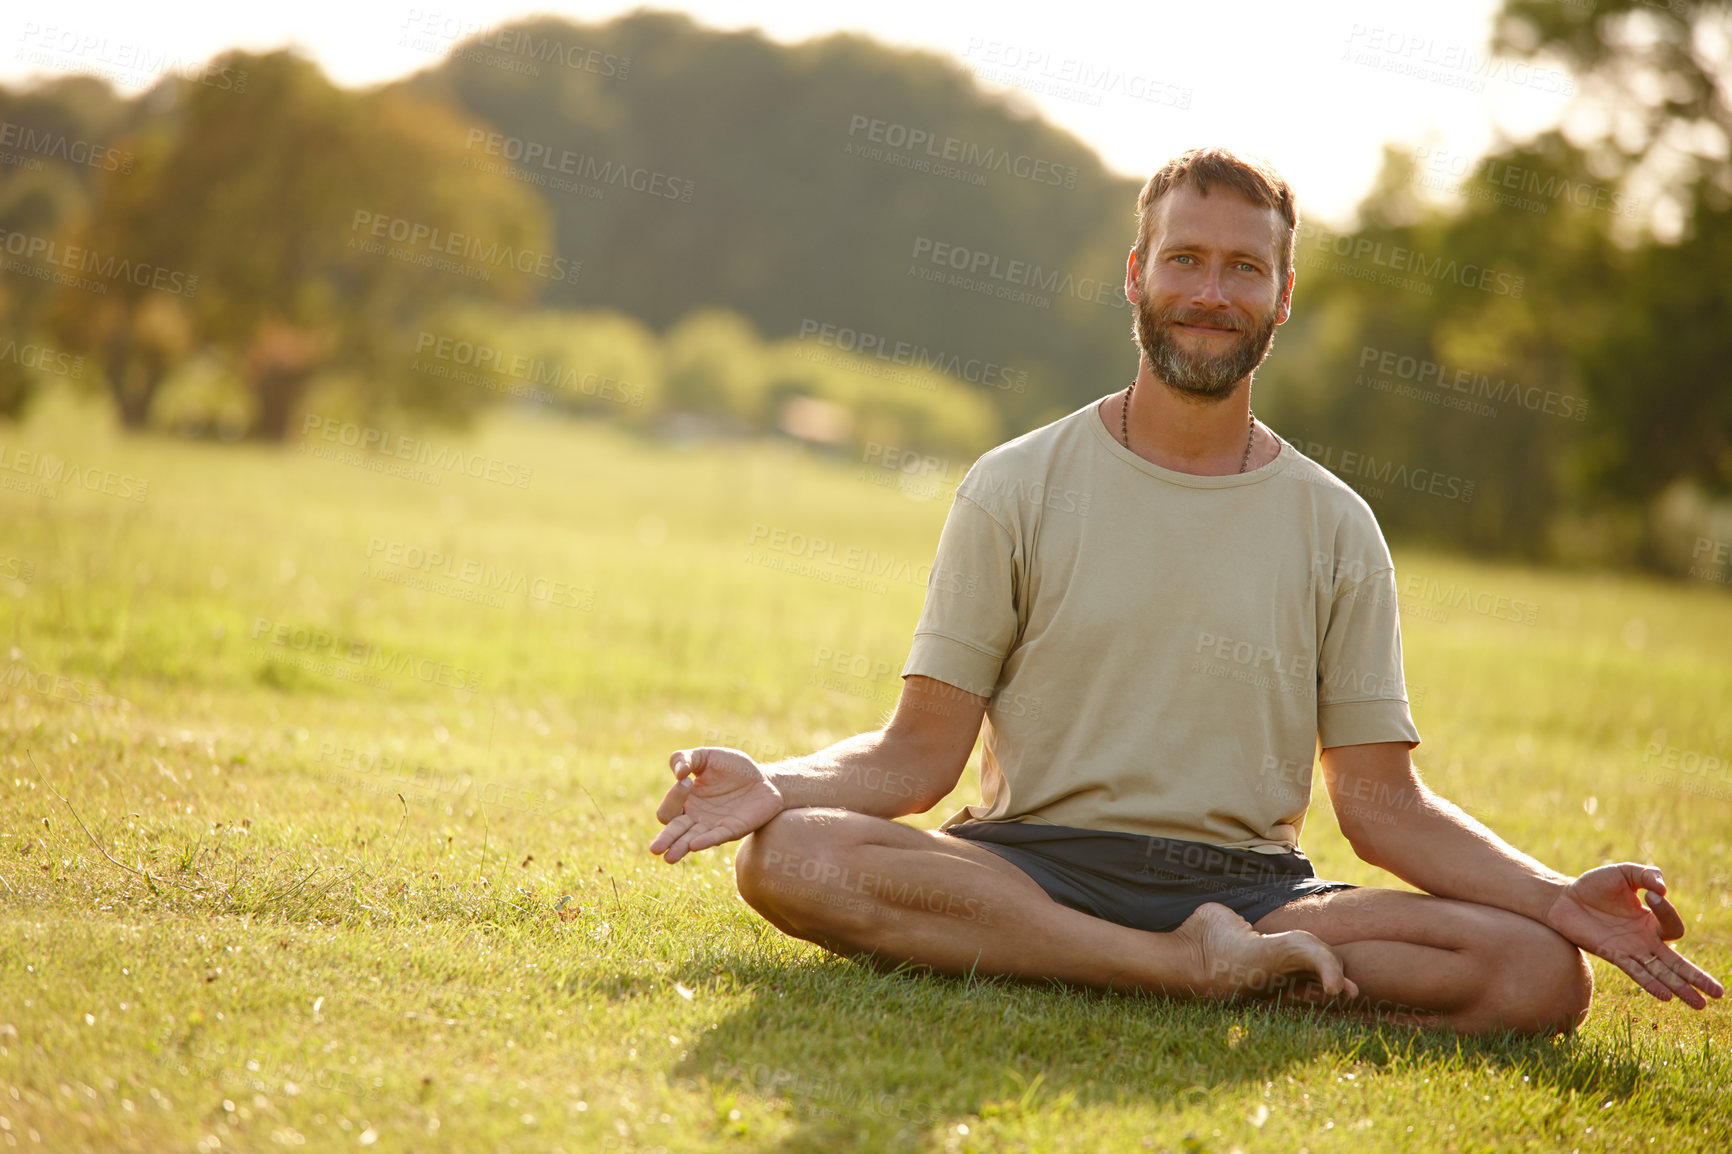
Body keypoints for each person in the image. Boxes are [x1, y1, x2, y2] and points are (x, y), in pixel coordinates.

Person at [648, 147, 1722, 1034]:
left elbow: (1381, 806)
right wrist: (778, 783)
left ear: (1281, 294)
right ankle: (1181, 972)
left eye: (1244, 270)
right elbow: (915, 756)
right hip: (1027, 866)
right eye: (1186, 261)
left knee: (1538, 975)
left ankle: (1217, 957)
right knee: (792, 855)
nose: (1211, 294)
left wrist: (1551, 899)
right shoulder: (1014, 484)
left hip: (1254, 888)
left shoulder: (1335, 524)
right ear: (1136, 274)